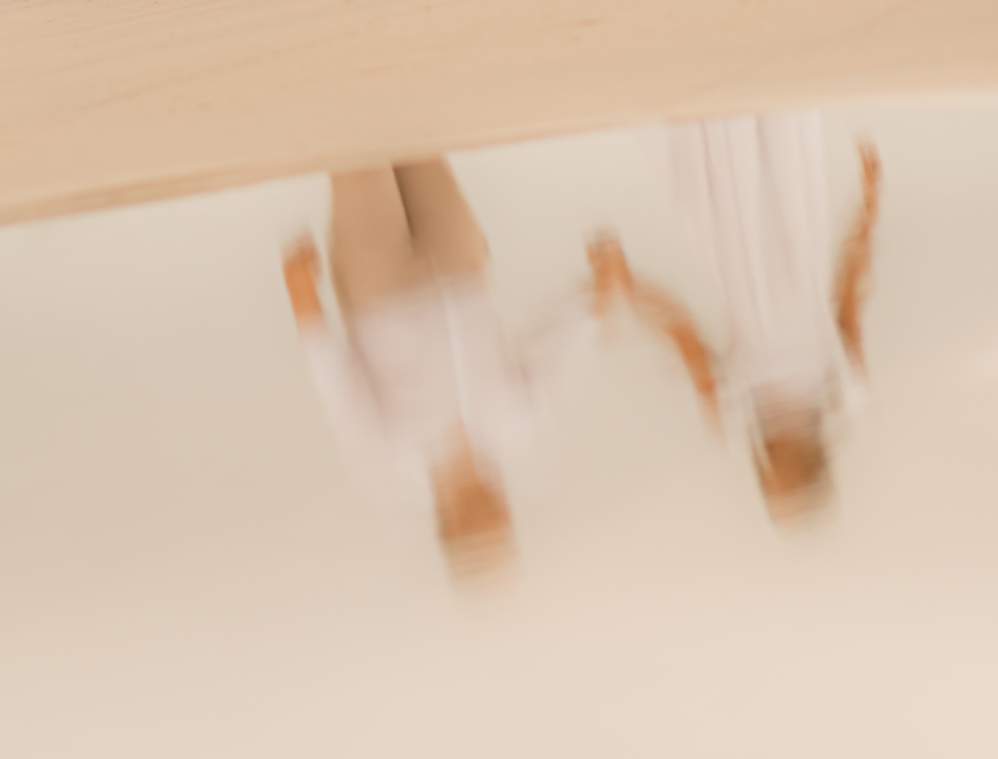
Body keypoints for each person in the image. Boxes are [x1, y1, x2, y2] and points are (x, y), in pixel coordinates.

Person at [283, 157, 592, 576]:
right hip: (460, 266)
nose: (505, 521)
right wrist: (593, 300)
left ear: (454, 530)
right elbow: (551, 354)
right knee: (420, 141)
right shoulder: (517, 429)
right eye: (506, 532)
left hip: (379, 289)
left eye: (492, 533)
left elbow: (338, 386)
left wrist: (303, 299)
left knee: (360, 157)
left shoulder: (392, 464)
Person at [590, 117, 882, 520]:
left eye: (770, 490)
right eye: (783, 486)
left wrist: (626, 280)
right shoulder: (841, 393)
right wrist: (869, 205)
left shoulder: (737, 415)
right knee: (781, 131)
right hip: (798, 232)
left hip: (734, 244)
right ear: (810, 471)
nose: (770, 478)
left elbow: (682, 333)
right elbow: (850, 290)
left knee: (720, 140)